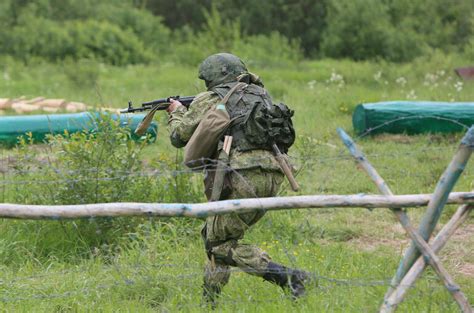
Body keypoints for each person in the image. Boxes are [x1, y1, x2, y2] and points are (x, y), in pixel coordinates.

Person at [166, 53, 309, 306]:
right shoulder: (261, 94)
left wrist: (176, 112)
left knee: (219, 245)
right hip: (274, 174)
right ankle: (209, 303)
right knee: (214, 237)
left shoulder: (212, 97)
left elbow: (179, 136)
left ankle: (289, 277)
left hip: (239, 177)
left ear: (213, 77)